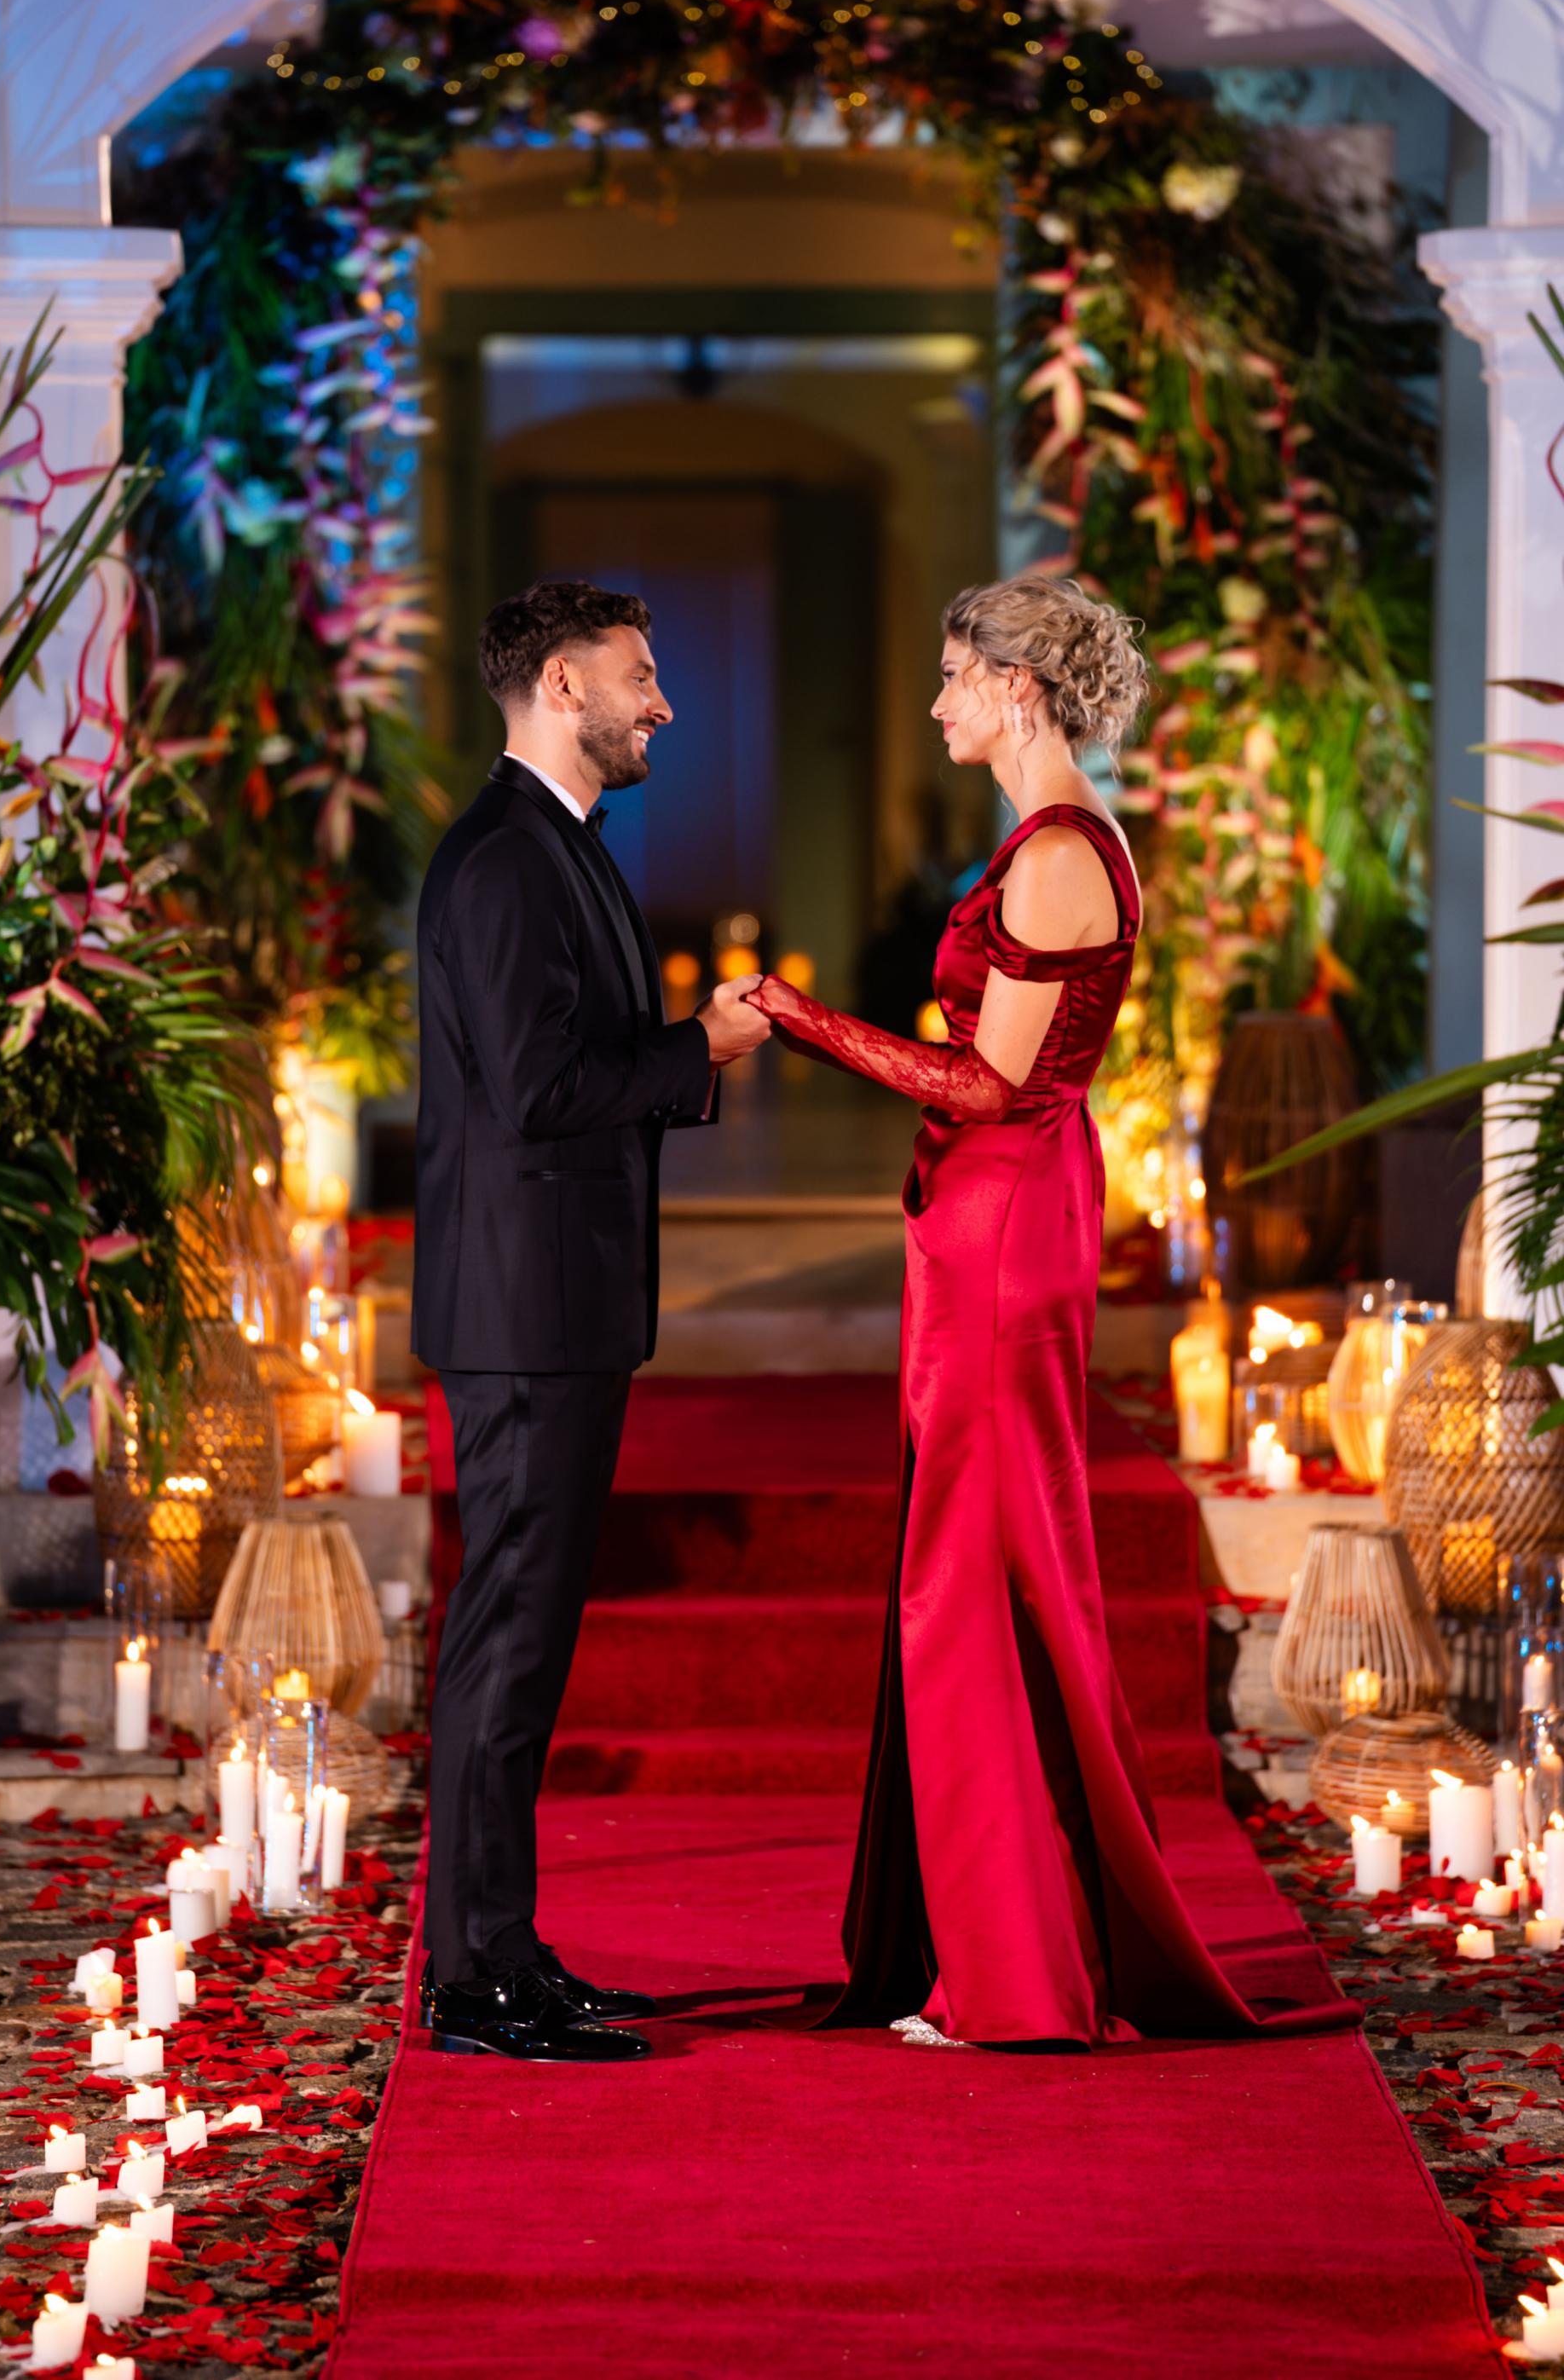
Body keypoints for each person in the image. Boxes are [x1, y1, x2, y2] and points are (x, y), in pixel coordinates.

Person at [748, 574, 1355, 2048]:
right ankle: (1002, 1943)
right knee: (984, 1560)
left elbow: (985, 1084)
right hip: (999, 1212)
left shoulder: (1062, 852)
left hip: (1005, 1217)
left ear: (1016, 689)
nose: (938, 704)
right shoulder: (1062, 840)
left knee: (972, 1572)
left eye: (956, 677)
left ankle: (1013, 1974)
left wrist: (793, 1017)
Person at [413, 580, 770, 2063]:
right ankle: (474, 1981)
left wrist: (688, 1045)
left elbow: (576, 1058)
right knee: (506, 1644)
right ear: (562, 684)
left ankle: (504, 1952)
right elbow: (539, 1090)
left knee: (527, 1641)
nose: (662, 703)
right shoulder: (509, 859)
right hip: (524, 1314)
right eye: (640, 676)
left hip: (554, 1306)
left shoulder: (560, 842)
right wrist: (704, 1048)